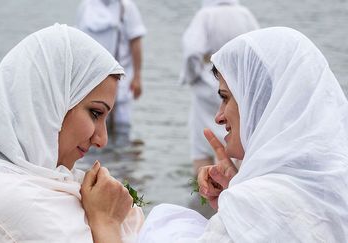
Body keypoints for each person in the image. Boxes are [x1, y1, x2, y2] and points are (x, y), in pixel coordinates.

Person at [0, 23, 144, 243]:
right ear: (49, 102)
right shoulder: (17, 202)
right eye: (95, 113)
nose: (102, 139)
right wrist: (107, 223)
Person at [138, 27, 348, 242]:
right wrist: (236, 192)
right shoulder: (335, 186)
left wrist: (110, 223)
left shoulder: (257, 204)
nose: (218, 117)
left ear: (259, 104)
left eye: (226, 97)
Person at [179, 0, 259, 174]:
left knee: (202, 142)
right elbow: (258, 50)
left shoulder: (205, 15)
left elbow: (192, 52)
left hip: (207, 82)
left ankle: (202, 190)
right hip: (238, 86)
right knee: (239, 136)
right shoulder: (245, 14)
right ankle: (236, 180)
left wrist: (193, 77)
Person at [76, 0, 146, 147]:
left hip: (121, 80)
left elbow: (136, 42)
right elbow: (78, 44)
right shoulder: (86, 6)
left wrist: (137, 77)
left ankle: (120, 164)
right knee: (90, 132)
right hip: (90, 81)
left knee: (122, 129)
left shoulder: (126, 7)